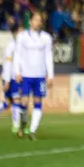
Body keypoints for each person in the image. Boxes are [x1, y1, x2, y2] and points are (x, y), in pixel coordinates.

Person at [13, 12, 54, 140]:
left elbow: (48, 56)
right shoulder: (22, 36)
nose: (37, 22)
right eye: (35, 20)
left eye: (39, 20)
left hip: (40, 75)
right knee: (24, 102)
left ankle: (32, 130)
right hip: (25, 74)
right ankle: (23, 124)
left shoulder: (46, 38)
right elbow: (17, 54)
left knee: (38, 102)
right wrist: (17, 72)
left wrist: (50, 75)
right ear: (30, 21)